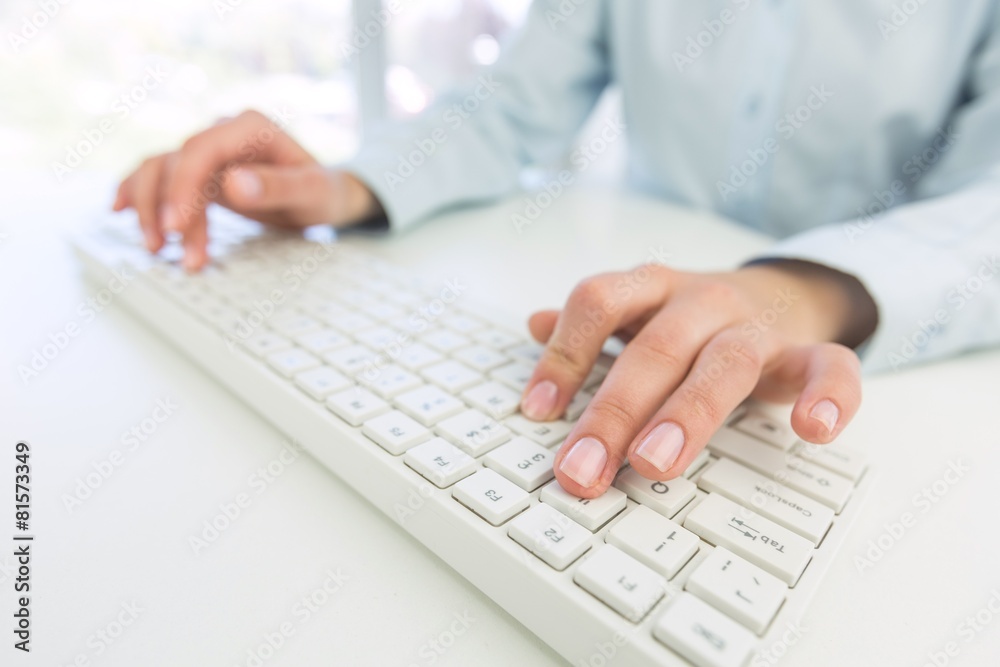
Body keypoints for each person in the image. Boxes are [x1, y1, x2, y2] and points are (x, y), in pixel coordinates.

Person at [112, 2, 1000, 499]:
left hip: (891, 358)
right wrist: (345, 187)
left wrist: (808, 290)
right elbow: (511, 104)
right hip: (631, 296)